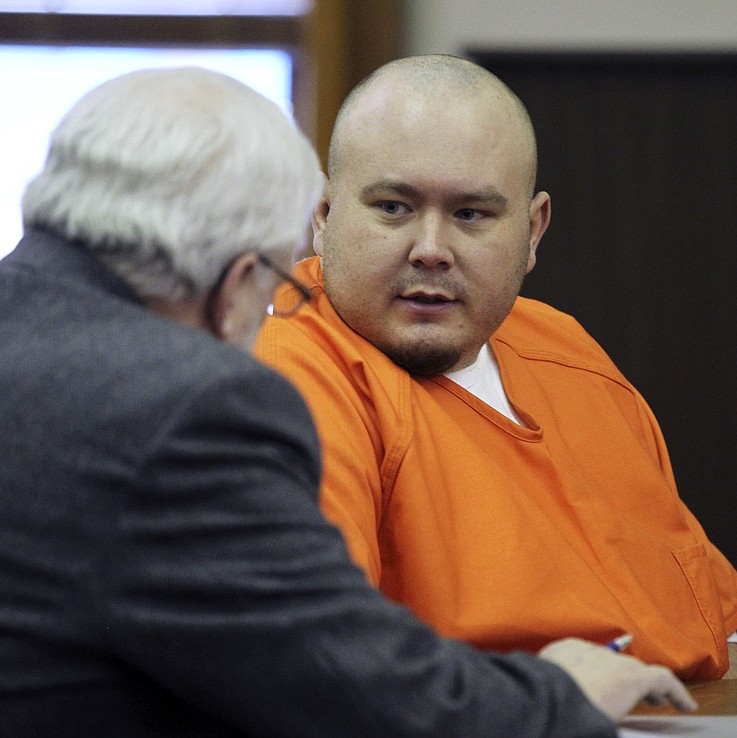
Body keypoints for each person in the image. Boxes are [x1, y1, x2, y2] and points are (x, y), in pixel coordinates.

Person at [0, 67, 696, 737]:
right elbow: (347, 691)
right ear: (243, 280)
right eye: (284, 275)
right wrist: (560, 696)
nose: (431, 250)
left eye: (473, 213)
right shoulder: (183, 407)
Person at [254, 54, 737, 682]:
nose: (431, 249)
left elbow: (715, 633)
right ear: (324, 216)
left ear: (533, 230)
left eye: (471, 214)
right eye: (393, 207)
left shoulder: (563, 346)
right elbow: (319, 663)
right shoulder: (286, 371)